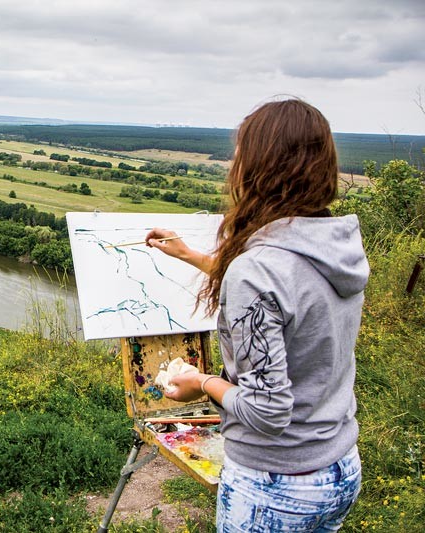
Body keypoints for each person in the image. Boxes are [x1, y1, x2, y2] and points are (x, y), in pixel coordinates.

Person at [145, 98, 368, 532]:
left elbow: (268, 412)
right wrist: (189, 254)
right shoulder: (332, 247)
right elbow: (287, 299)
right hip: (338, 467)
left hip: (276, 482)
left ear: (257, 168)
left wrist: (201, 383)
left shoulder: (260, 271)